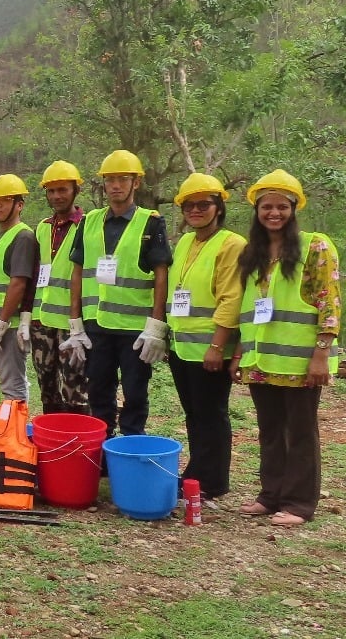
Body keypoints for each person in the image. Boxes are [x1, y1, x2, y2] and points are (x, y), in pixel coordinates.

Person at [231, 170, 339, 527]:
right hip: (262, 359)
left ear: (294, 209)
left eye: (281, 207)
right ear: (257, 211)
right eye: (266, 207)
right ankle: (270, 494)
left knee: (300, 432)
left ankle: (299, 502)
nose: (273, 213)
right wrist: (240, 354)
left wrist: (322, 352)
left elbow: (329, 302)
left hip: (300, 360)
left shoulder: (315, 246)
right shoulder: (254, 254)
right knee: (271, 430)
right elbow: (248, 308)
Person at [62, 151, 172, 438]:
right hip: (96, 327)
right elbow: (77, 271)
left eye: (123, 179)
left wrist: (156, 327)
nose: (115, 185)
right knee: (99, 391)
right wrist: (75, 323)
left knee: (135, 394)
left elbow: (162, 274)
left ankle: (131, 449)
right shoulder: (89, 222)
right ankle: (102, 453)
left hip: (135, 331)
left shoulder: (150, 223)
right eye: (110, 179)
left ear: (135, 183)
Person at [165, 174, 245, 505]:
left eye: (204, 204)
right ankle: (198, 472)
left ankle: (211, 481)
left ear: (218, 207)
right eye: (189, 205)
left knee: (211, 413)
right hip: (182, 346)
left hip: (210, 348)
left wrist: (217, 346)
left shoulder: (231, 244)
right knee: (194, 413)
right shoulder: (185, 241)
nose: (196, 210)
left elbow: (231, 298)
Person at [31, 161, 90, 414]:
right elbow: (35, 273)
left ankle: (77, 441)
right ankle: (51, 438)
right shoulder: (43, 227)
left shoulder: (89, 225)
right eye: (51, 191)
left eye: (62, 190)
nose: (56, 196)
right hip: (41, 321)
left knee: (75, 385)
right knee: (46, 384)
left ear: (75, 190)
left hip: (72, 323)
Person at [0, 175, 39, 403]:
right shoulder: (1, 236)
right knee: (10, 382)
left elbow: (18, 283)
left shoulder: (23, 236)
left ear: (19, 205)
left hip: (8, 325)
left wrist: (0, 325)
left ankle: (15, 434)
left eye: (4, 200)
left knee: (13, 386)